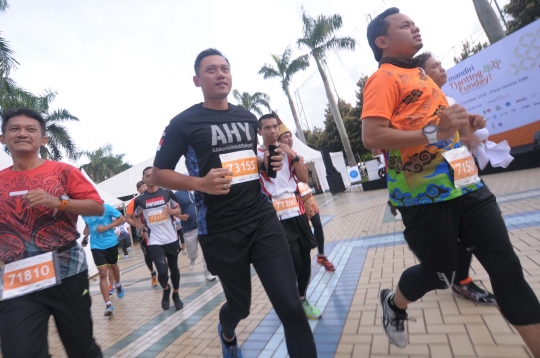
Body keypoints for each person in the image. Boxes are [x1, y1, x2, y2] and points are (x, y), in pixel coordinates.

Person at [362, 8, 540, 355]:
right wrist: (437, 130)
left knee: (507, 269)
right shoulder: (382, 79)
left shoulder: (423, 77)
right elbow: (372, 136)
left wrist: (465, 128)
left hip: (467, 181)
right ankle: (395, 303)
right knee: (439, 273)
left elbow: (443, 132)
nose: (415, 27)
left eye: (414, 22)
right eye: (404, 25)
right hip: (423, 193)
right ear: (382, 41)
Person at [151, 48, 317, 358]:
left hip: (261, 218)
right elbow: (159, 173)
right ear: (197, 79)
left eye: (224, 68)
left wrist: (267, 164)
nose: (220, 74)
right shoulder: (183, 123)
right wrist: (199, 183)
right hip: (220, 228)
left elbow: (249, 163)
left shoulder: (246, 116)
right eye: (211, 70)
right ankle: (227, 333)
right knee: (240, 306)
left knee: (291, 307)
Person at [0, 108, 103, 357]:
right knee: (19, 351)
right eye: (14, 128)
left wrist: (59, 203)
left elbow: (97, 207)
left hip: (67, 273)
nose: (22, 133)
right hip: (17, 279)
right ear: (3, 138)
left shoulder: (64, 171)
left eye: (30, 129)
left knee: (80, 348)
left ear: (43, 139)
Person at [415, 51, 497, 305]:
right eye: (434, 66)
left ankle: (463, 280)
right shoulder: (418, 104)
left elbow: (469, 133)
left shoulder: (449, 99)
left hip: (464, 171)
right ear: (422, 75)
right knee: (457, 234)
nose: (441, 69)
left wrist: (474, 123)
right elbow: (426, 140)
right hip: (438, 178)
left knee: (473, 230)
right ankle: (457, 280)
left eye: (441, 64)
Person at [257, 115, 321, 321]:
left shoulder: (290, 152)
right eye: (266, 127)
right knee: (292, 258)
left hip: (297, 210)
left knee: (304, 257)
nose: (272, 131)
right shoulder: (255, 155)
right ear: (259, 132)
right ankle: (289, 298)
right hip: (274, 214)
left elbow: (304, 178)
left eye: (275, 126)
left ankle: (301, 298)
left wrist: (292, 155)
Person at [278, 124, 336, 273]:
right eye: (286, 136)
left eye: (291, 135)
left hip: (305, 193)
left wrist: (295, 158)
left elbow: (304, 178)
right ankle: (299, 266)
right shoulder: (276, 155)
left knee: (317, 223)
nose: (290, 138)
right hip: (291, 199)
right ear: (279, 140)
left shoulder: (296, 154)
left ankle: (321, 255)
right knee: (300, 235)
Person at [129, 166, 184, 311]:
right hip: (154, 240)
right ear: (143, 179)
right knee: (162, 270)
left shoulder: (167, 193)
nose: (150, 178)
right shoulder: (140, 200)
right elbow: (134, 217)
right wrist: (141, 227)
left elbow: (178, 209)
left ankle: (176, 295)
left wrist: (172, 211)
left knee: (174, 268)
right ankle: (166, 289)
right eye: (147, 176)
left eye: (152, 175)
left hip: (171, 238)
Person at [82, 203, 126, 316]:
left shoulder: (106, 207)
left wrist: (106, 227)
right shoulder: (84, 211)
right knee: (102, 273)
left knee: (113, 266)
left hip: (111, 243)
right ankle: (108, 305)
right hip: (96, 246)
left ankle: (118, 284)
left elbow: (122, 218)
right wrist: (85, 236)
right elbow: (87, 226)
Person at [175, 189, 217, 281]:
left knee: (207, 250)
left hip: (204, 226)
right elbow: (172, 209)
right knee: (192, 250)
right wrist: (179, 216)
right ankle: (192, 257)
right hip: (189, 227)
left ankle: (208, 273)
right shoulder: (177, 194)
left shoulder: (202, 190)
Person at [126, 180, 158, 287]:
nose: (144, 188)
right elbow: (128, 218)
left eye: (145, 186)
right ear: (138, 190)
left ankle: (161, 270)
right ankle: (153, 273)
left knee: (158, 251)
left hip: (156, 229)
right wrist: (139, 227)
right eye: (142, 187)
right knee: (147, 254)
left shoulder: (153, 196)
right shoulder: (133, 202)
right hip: (142, 232)